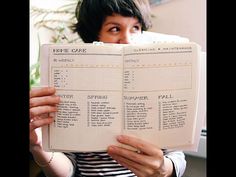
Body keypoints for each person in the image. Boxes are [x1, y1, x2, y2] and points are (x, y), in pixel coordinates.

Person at [30, 0, 186, 176]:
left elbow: (176, 157)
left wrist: (164, 169)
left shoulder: (157, 83)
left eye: (135, 28)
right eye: (115, 29)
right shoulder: (71, 85)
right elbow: (67, 170)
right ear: (95, 35)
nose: (127, 40)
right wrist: (39, 145)